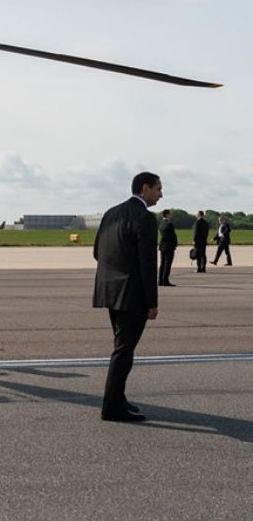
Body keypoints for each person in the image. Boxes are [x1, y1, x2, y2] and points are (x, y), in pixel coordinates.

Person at [93, 171, 162, 423]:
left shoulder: (112, 213)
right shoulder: (145, 218)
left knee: (123, 348)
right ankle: (111, 407)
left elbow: (97, 252)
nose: (161, 194)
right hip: (132, 295)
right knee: (123, 351)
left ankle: (119, 398)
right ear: (145, 188)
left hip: (110, 291)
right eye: (158, 189)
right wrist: (152, 303)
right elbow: (147, 264)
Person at [158, 209, 178, 286]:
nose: (171, 215)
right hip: (169, 246)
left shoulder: (161, 223)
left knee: (162, 264)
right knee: (167, 264)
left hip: (162, 245)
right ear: (167, 214)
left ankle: (160, 281)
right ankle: (165, 280)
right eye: (170, 214)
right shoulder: (169, 224)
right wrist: (175, 244)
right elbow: (173, 236)